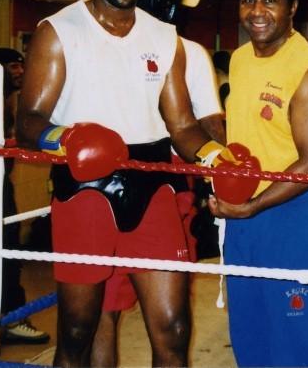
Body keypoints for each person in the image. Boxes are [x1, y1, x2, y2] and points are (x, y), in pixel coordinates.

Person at [16, 0, 234, 367]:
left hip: (153, 185)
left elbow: (183, 125)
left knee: (173, 326)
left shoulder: (163, 37)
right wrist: (69, 138)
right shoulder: (59, 31)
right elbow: (28, 123)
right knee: (77, 330)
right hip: (84, 188)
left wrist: (218, 158)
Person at [208, 0, 308, 368]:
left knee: (293, 335)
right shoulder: (241, 59)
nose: (257, 12)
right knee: (249, 329)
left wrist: (254, 205)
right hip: (242, 214)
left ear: (292, 7)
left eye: (270, 0)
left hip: (290, 215)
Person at [91, 35, 225, 367]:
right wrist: (223, 175)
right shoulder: (187, 49)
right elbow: (210, 125)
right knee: (163, 320)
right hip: (148, 185)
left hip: (116, 186)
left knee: (109, 315)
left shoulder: (182, 49)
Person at [0, 47, 50, 345]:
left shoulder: (8, 101)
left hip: (1, 185)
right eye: (14, 66)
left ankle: (8, 320)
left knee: (8, 255)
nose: (21, 72)